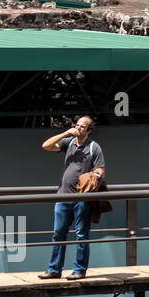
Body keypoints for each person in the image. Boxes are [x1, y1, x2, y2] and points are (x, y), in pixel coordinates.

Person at [38, 115, 106, 280]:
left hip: (82, 198)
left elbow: (101, 169)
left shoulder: (93, 147)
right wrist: (65, 133)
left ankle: (79, 270)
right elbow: (45, 145)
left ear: (89, 130)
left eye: (83, 126)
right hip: (63, 196)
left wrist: (93, 177)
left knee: (81, 234)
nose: (78, 128)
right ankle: (54, 269)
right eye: (77, 125)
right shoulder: (67, 142)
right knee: (58, 233)